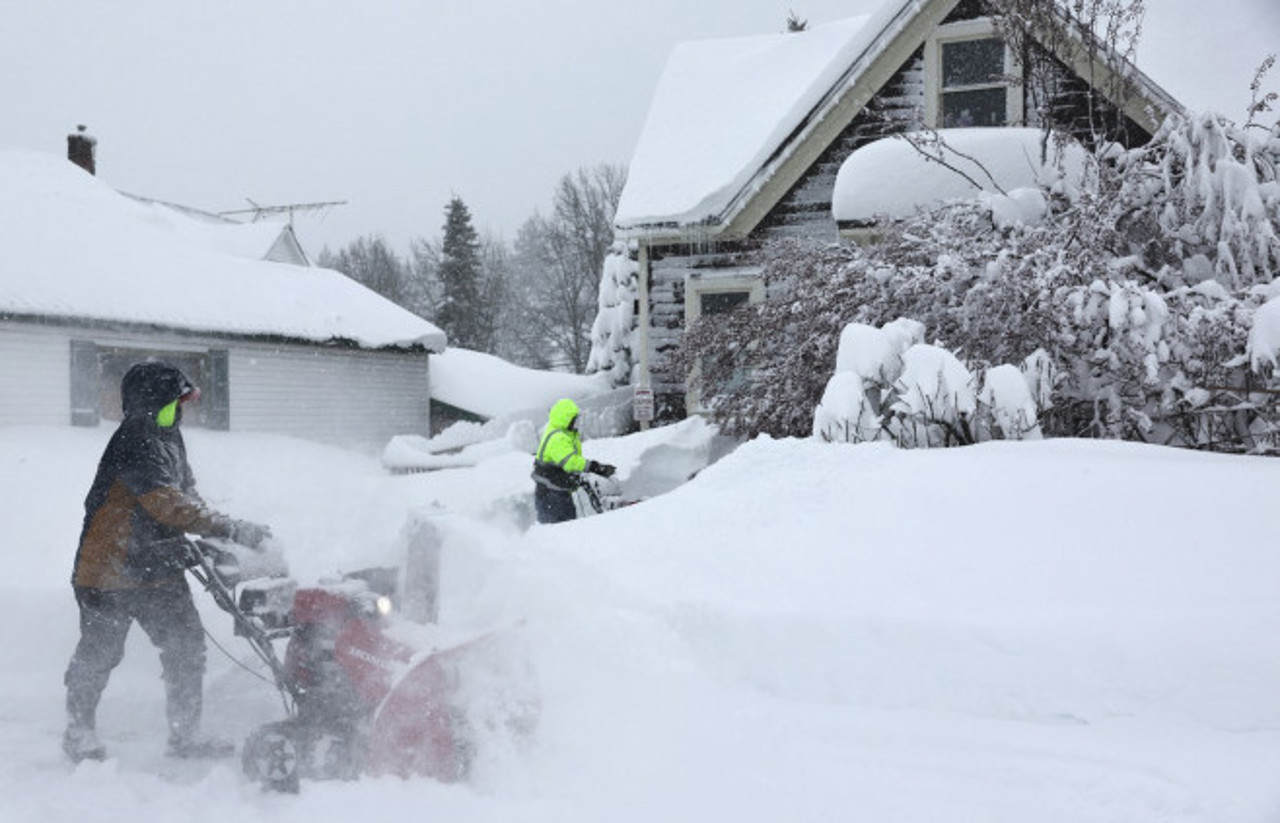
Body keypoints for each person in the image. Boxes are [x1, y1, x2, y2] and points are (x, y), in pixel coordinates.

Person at [62, 361, 273, 763]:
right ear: (151, 403)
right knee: (100, 654)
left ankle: (184, 736)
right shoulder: (136, 438)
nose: (179, 412)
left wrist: (213, 535)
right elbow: (167, 504)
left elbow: (187, 498)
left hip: (155, 568)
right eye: (173, 404)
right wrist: (229, 529)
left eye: (181, 405)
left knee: (187, 649)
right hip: (108, 570)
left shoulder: (170, 440)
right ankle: (79, 732)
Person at [531, 398, 616, 524]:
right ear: (566, 419)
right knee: (562, 529)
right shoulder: (558, 437)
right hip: (551, 495)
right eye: (574, 419)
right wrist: (595, 467)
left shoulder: (563, 433)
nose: (577, 423)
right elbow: (570, 462)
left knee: (567, 525)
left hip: (556, 489)